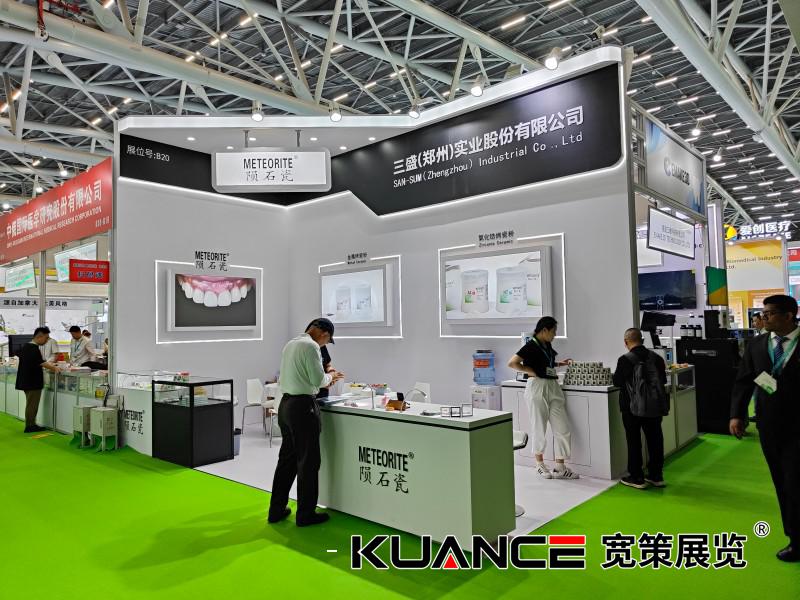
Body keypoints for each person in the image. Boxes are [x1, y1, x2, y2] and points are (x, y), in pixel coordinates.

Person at [731, 294, 800, 563]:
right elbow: (744, 380)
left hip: (798, 426)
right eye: (763, 313)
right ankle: (794, 536)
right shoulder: (757, 344)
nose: (763, 318)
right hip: (769, 425)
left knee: (795, 481)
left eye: (769, 313)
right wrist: (737, 415)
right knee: (782, 482)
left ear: (789, 315)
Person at [269, 318, 344, 526]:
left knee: (287, 461)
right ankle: (305, 513)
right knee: (308, 462)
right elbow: (317, 381)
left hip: (285, 405)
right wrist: (331, 376)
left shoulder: (291, 344)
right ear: (324, 334)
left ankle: (276, 509)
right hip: (303, 408)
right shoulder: (311, 347)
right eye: (328, 340)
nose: (326, 344)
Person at [508, 316, 579, 480]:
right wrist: (529, 371)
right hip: (537, 386)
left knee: (562, 428)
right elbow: (512, 363)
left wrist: (560, 363)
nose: (555, 335)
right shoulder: (531, 345)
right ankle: (539, 464)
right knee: (539, 427)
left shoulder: (547, 345)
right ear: (544, 330)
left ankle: (560, 467)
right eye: (553, 331)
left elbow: (546, 364)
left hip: (553, 386)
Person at [612, 328, 668, 489]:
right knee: (655, 439)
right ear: (642, 340)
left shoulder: (624, 360)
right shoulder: (657, 358)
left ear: (626, 342)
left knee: (634, 441)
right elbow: (663, 380)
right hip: (654, 406)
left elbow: (617, 382)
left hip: (631, 407)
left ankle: (636, 477)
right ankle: (656, 475)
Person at [16, 327, 61, 433]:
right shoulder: (33, 348)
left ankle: (31, 424)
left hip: (27, 380)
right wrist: (54, 368)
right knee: (32, 404)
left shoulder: (26, 346)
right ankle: (30, 426)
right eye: (46, 338)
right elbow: (41, 362)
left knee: (30, 403)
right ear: (40, 336)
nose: (46, 341)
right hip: (32, 382)